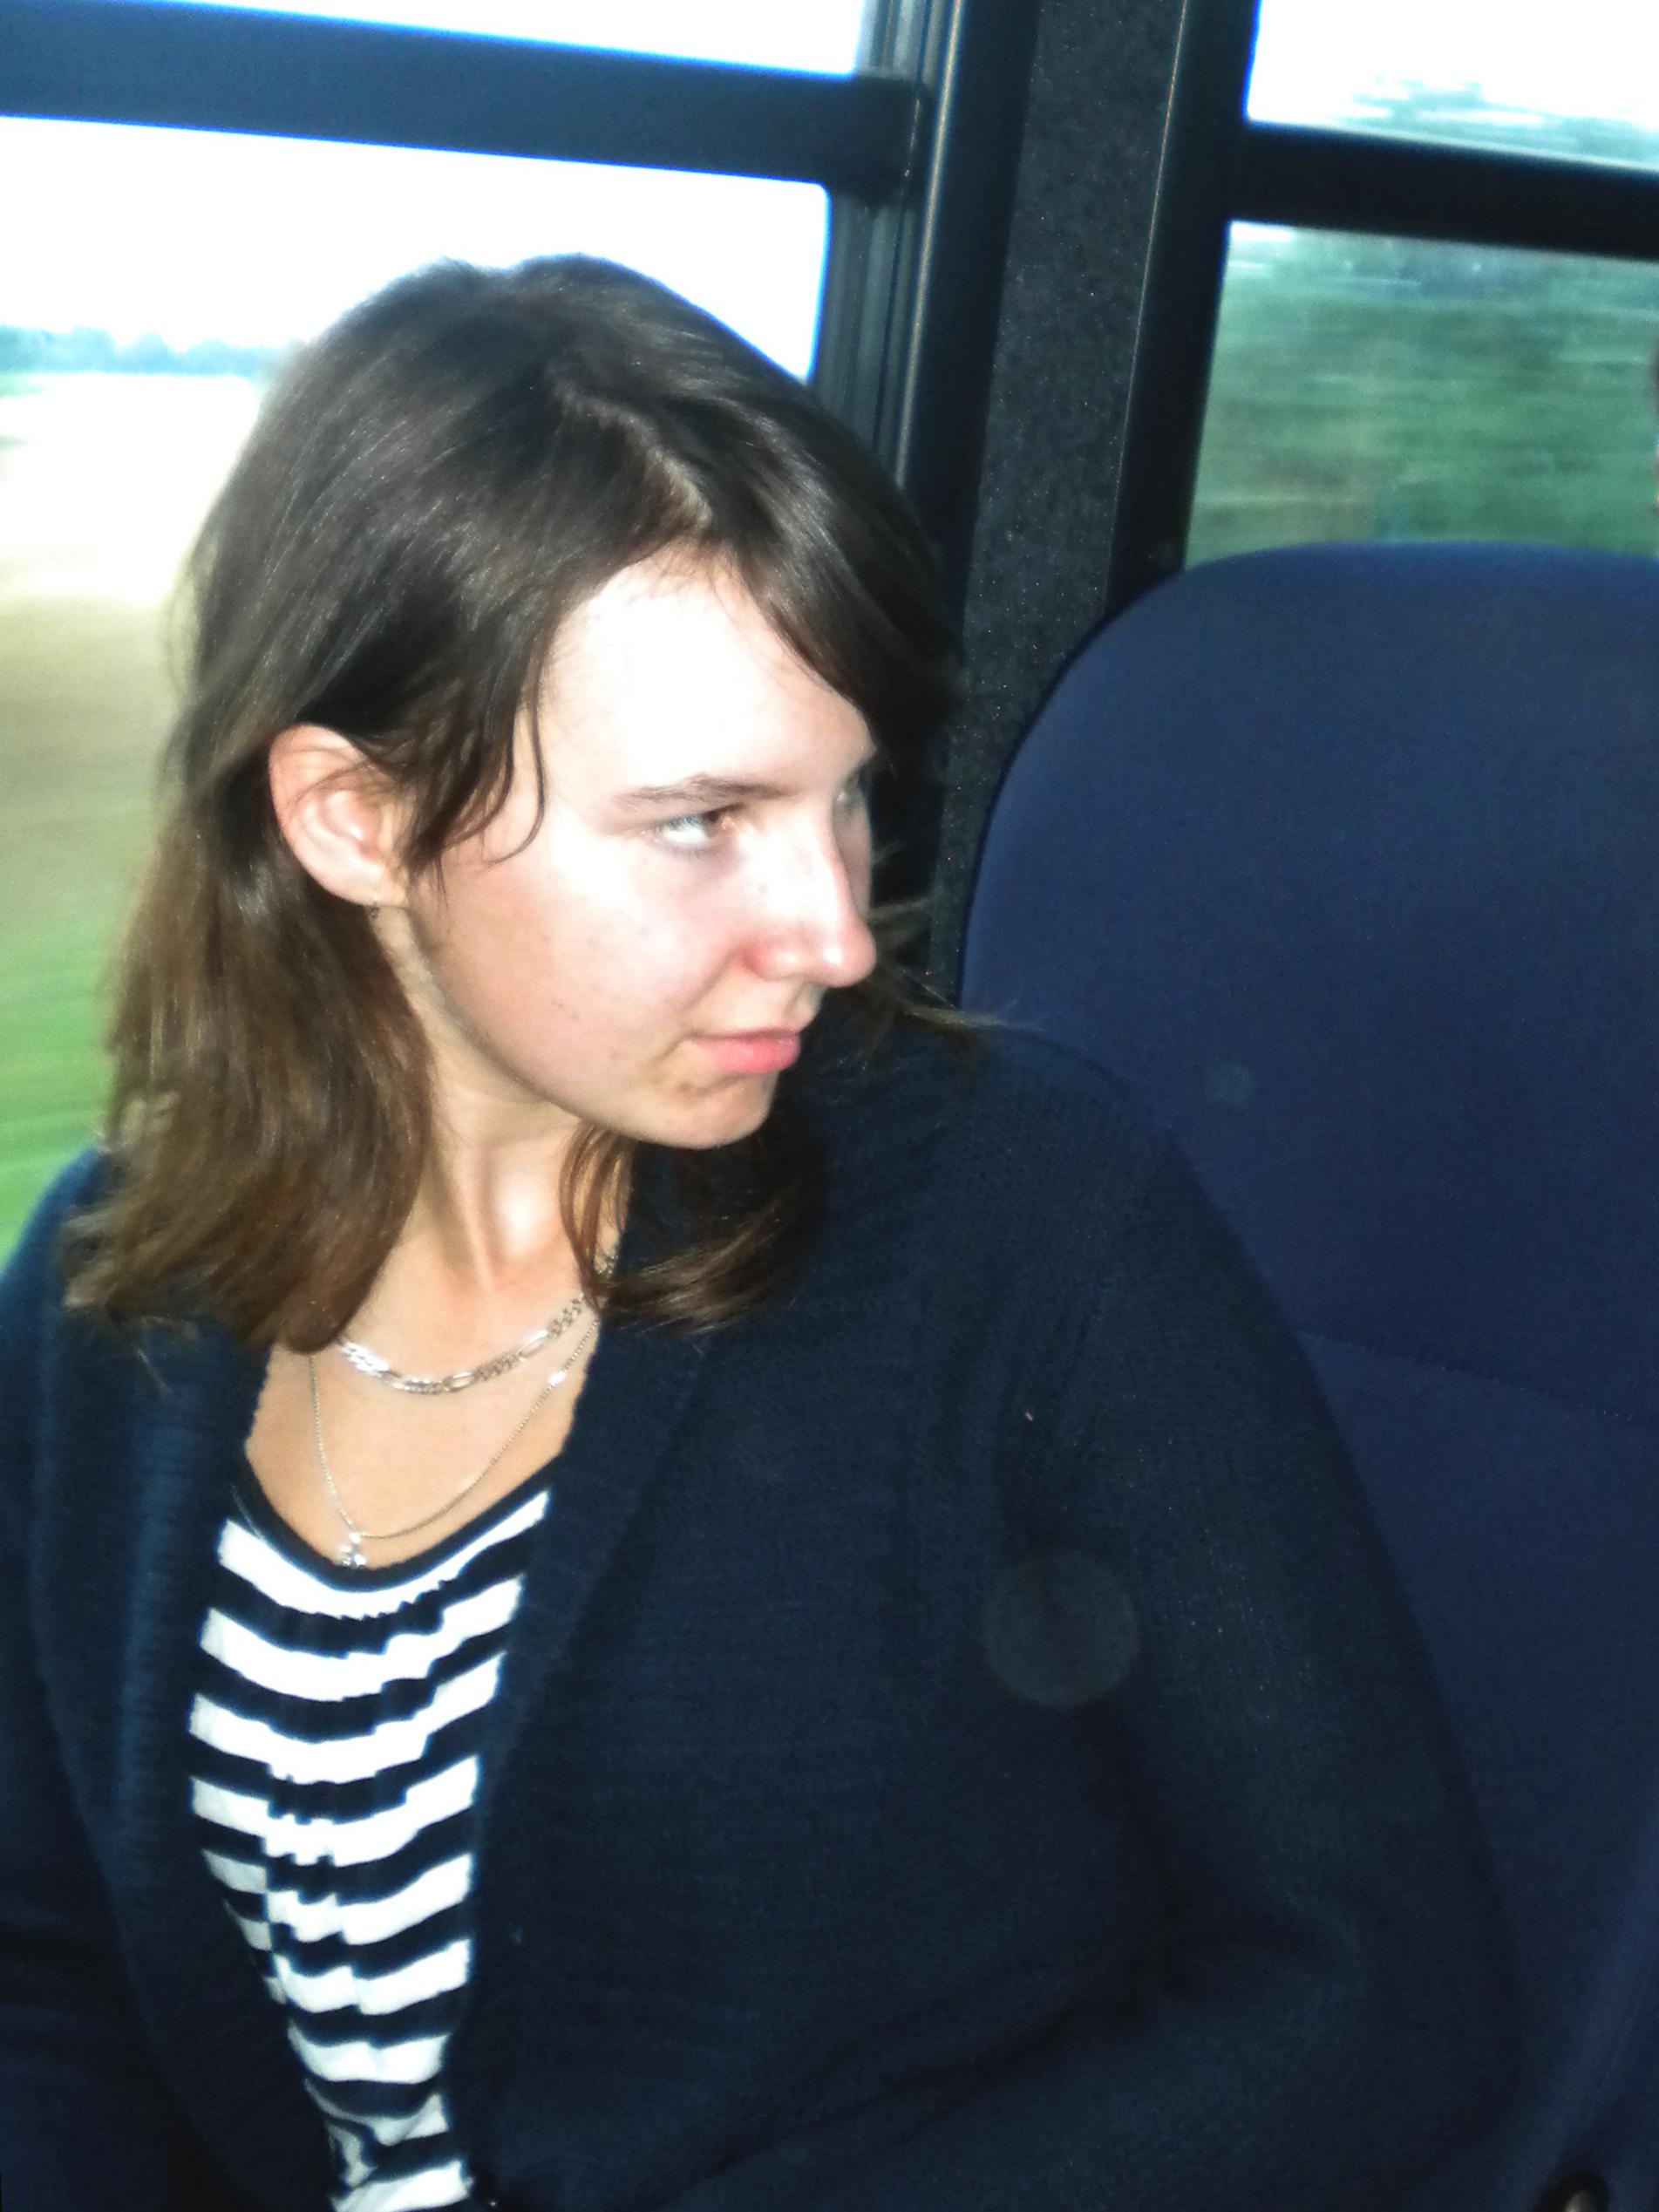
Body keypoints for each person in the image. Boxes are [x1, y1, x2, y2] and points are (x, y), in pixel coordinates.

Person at [0, 256, 1512, 2212]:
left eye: (851, 794)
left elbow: (1377, 1994)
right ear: (356, 818)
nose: (838, 932)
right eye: (703, 819)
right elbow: (45, 1970)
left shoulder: (1024, 1220)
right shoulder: (112, 1293)